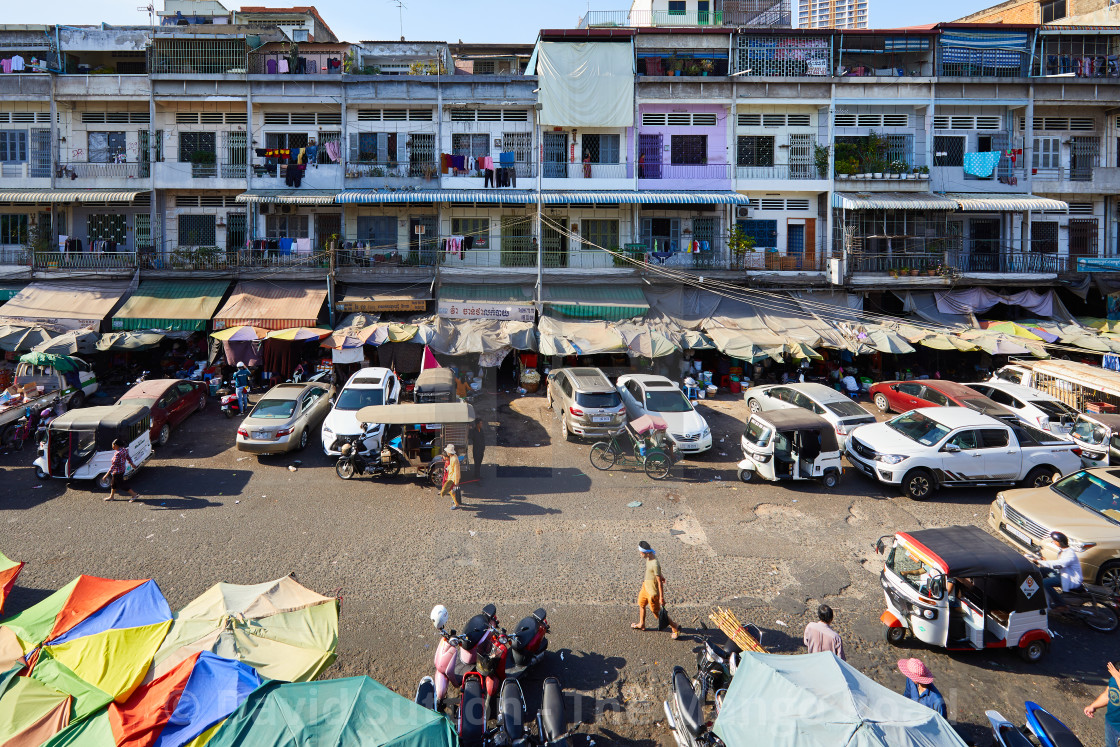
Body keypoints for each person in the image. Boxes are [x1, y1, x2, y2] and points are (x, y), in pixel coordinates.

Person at [632, 541, 681, 639]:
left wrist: (661, 598)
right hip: (645, 586)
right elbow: (657, 574)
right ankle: (642, 624)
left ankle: (675, 627)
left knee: (658, 614)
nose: (640, 554)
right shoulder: (649, 558)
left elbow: (659, 583)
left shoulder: (655, 563)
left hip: (652, 593)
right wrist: (661, 576)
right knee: (641, 604)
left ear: (646, 553)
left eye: (641, 552)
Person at [1037, 531, 1083, 610]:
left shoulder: (1070, 554)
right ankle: (1044, 597)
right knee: (1043, 570)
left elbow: (1060, 564)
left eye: (1054, 541)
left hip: (1069, 579)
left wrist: (1040, 562)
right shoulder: (1064, 551)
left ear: (1060, 542)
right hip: (1062, 575)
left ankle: (1060, 604)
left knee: (1044, 583)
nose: (1053, 542)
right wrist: (1044, 561)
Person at [1083, 660, 1120, 747]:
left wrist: (1117, 677)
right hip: (1111, 724)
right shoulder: (1114, 679)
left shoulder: (1116, 677)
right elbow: (1108, 695)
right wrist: (1093, 706)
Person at [440, 444, 462, 509]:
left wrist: (456, 481)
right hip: (451, 477)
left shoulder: (454, 459)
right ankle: (455, 501)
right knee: (451, 490)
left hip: (453, 478)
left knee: (450, 490)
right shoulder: (453, 457)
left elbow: (456, 471)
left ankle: (456, 504)